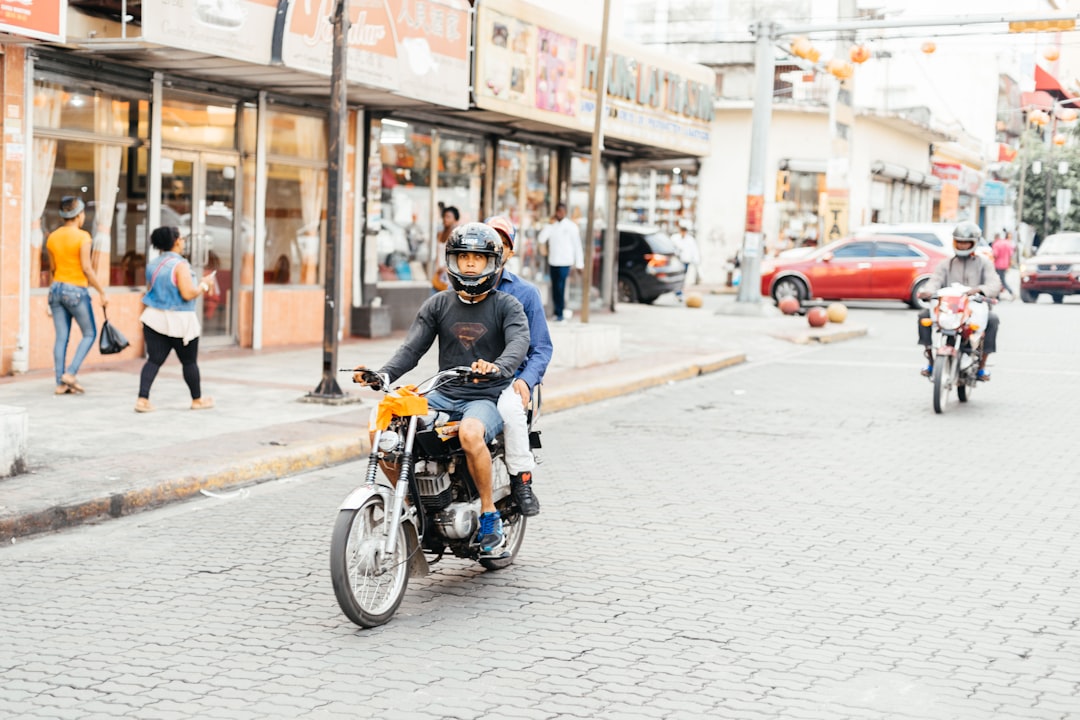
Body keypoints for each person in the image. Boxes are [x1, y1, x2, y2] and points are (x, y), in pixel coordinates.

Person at [353, 222, 529, 555]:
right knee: (385, 426)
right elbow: (411, 349)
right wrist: (383, 375)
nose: (470, 264)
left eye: (478, 258)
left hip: (485, 396)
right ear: (452, 261)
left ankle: (489, 513)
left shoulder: (507, 305)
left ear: (493, 263)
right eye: (463, 257)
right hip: (443, 393)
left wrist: (499, 367)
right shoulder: (437, 304)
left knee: (470, 433)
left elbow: (519, 343)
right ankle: (410, 503)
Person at [486, 215, 553, 517]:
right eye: (490, 243)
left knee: (510, 410)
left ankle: (521, 481)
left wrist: (525, 380)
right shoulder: (461, 288)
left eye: (503, 245)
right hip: (470, 379)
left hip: (509, 379)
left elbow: (541, 348)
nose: (496, 250)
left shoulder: (525, 294)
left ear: (510, 252)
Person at [135, 226, 217, 413]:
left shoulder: (153, 265)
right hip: (181, 321)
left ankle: (142, 399)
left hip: (155, 318)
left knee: (153, 361)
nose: (183, 242)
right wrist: (204, 284)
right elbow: (188, 294)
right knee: (189, 362)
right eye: (181, 238)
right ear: (175, 241)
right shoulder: (180, 265)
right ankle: (197, 400)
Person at [917, 221, 1002, 380]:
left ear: (974, 243)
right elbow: (934, 281)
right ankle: (930, 360)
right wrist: (927, 292)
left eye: (966, 243)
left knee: (993, 320)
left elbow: (994, 284)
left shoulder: (984, 263)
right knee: (923, 317)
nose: (962, 246)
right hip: (949, 310)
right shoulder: (946, 264)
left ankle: (982, 366)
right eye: (959, 242)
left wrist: (980, 290)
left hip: (974, 310)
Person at [45, 195, 108, 395]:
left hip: (56, 289)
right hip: (76, 290)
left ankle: (60, 383)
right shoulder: (83, 237)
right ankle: (70, 373)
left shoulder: (52, 237)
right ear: (79, 215)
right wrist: (102, 291)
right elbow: (87, 269)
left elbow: (53, 269)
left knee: (61, 337)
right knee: (89, 333)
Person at [537, 202, 584, 321]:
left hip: (565, 262)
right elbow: (541, 238)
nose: (559, 213)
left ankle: (560, 313)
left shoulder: (571, 226)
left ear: (565, 212)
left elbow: (577, 246)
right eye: (558, 211)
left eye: (562, 211)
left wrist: (579, 264)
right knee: (554, 287)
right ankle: (556, 312)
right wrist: (549, 225)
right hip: (553, 261)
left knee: (561, 286)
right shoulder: (552, 226)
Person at [431, 205, 460, 293]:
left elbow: (457, 256)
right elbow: (437, 253)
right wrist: (437, 268)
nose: (445, 219)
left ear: (455, 219)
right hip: (438, 274)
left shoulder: (456, 235)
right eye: (444, 216)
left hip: (449, 275)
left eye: (448, 217)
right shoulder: (440, 234)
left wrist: (445, 268)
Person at [671, 219, 701, 299]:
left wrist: (696, 261)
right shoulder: (674, 238)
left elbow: (694, 251)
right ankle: (677, 291)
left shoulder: (690, 239)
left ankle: (679, 291)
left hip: (686, 261)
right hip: (677, 261)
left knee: (683, 277)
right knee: (677, 276)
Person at [992, 230, 1016, 298]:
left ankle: (1011, 292)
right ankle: (998, 295)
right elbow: (1011, 255)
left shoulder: (996, 244)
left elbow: (995, 255)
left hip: (998, 265)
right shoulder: (1008, 243)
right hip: (1005, 265)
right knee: (1000, 280)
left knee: (1000, 281)